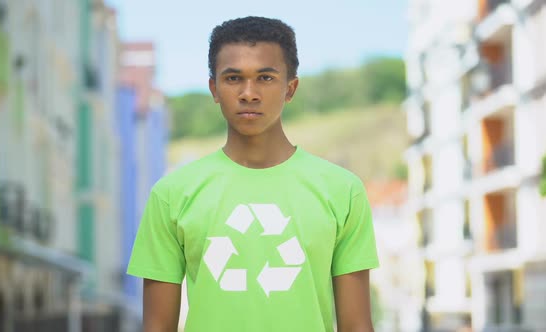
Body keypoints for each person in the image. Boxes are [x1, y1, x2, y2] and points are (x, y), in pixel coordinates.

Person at [127, 16, 379, 332]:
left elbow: (357, 325)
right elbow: (157, 327)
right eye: (233, 79)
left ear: (291, 88)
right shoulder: (171, 194)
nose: (249, 93)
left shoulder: (343, 191)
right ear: (213, 89)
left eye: (265, 78)